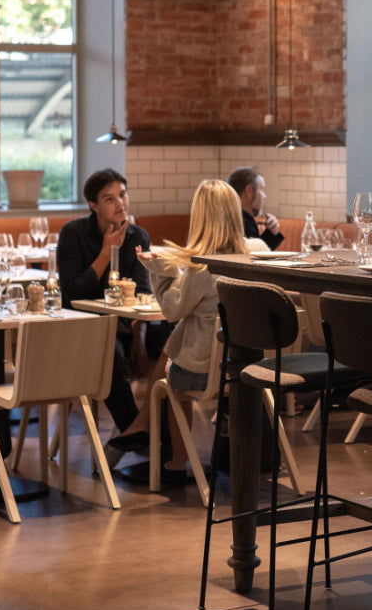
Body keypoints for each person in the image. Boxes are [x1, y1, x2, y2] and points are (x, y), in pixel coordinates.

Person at [136, 179, 247, 487]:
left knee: (171, 380)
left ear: (201, 217)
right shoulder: (252, 257)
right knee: (184, 340)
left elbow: (172, 311)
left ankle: (177, 461)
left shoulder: (202, 268)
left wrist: (158, 272)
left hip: (205, 373)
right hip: (247, 368)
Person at [57, 168, 156, 434]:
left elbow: (141, 290)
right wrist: (106, 252)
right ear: (93, 205)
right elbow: (73, 294)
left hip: (122, 327)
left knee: (169, 340)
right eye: (110, 199)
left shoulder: (138, 236)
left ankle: (166, 438)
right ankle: (135, 431)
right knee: (107, 350)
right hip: (79, 328)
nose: (120, 203)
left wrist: (140, 334)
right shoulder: (72, 234)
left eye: (122, 195)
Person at [226, 166, 284, 249]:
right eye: (261, 189)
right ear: (249, 191)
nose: (265, 196)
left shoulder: (229, 216)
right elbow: (254, 258)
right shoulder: (244, 220)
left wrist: (272, 232)